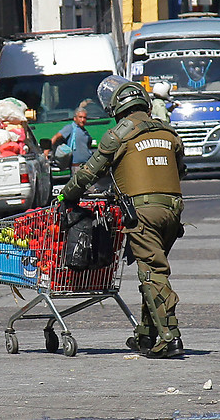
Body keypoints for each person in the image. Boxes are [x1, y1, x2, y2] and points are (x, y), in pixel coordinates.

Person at [59, 75, 187, 359]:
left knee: (152, 272)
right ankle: (146, 334)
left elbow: (88, 173)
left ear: (117, 107)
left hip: (142, 213)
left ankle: (169, 337)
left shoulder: (118, 134)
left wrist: (67, 196)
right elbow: (182, 170)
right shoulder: (168, 132)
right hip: (173, 212)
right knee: (151, 267)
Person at [50, 107, 93, 175]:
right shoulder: (70, 128)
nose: (82, 120)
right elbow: (56, 136)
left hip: (87, 165)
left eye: (84, 118)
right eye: (80, 117)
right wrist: (47, 149)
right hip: (76, 166)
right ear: (75, 118)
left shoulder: (85, 132)